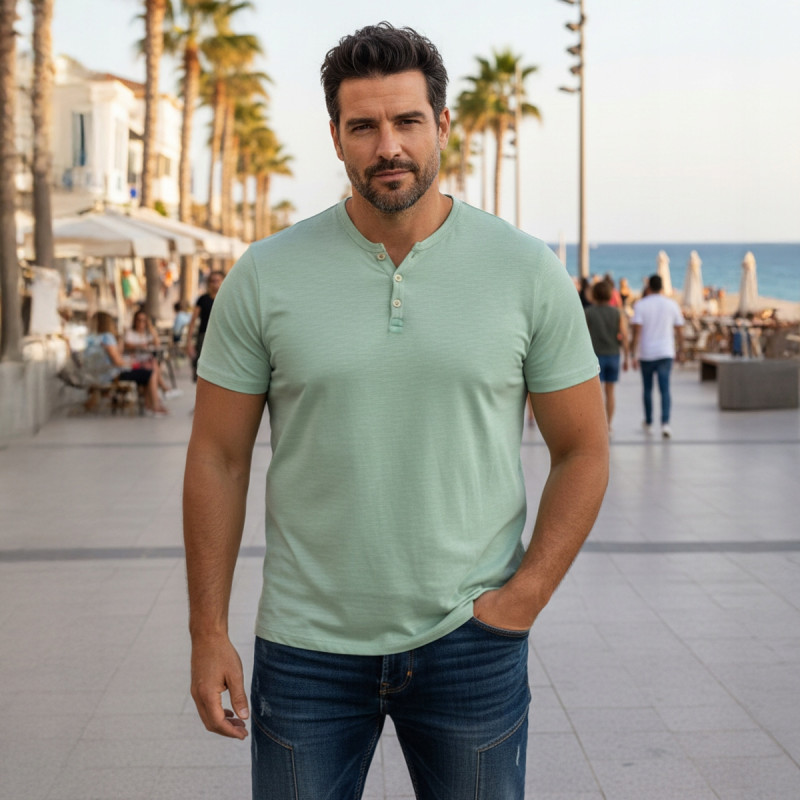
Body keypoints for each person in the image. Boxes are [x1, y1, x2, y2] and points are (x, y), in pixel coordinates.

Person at [183, 23, 609, 799]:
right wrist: (207, 630)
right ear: (336, 138)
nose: (389, 146)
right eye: (364, 126)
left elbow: (584, 448)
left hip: (470, 643)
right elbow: (217, 456)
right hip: (305, 648)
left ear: (442, 125)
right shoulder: (266, 274)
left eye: (408, 121)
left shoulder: (525, 271)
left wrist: (525, 598)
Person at [631, 273, 685, 438]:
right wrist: (681, 350)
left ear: (649, 287)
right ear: (662, 287)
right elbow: (680, 330)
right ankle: (665, 423)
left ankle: (649, 421)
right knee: (665, 389)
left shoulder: (641, 305)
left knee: (647, 389)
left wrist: (633, 354)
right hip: (665, 352)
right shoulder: (672, 305)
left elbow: (636, 333)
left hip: (646, 353)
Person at [84, 311, 167, 416]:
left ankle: (150, 405)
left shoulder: (90, 338)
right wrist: (130, 363)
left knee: (145, 371)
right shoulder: (107, 337)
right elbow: (117, 361)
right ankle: (154, 406)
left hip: (96, 374)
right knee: (149, 373)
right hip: (111, 375)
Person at [585, 279, 629, 434]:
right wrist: (627, 357)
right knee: (610, 392)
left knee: (595, 394)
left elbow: (582, 336)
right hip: (613, 355)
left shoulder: (589, 312)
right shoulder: (616, 313)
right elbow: (624, 335)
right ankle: (608, 424)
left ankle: (597, 425)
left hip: (595, 356)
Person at [122, 308, 181, 399]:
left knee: (154, 364)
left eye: (144, 320)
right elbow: (127, 345)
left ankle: (159, 395)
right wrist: (140, 345)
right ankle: (163, 390)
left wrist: (150, 327)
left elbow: (157, 343)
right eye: (139, 320)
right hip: (135, 361)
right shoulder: (130, 332)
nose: (141, 322)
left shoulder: (147, 333)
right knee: (154, 367)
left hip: (147, 360)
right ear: (135, 320)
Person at [185, 270, 225, 381]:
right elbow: (193, 321)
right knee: (202, 369)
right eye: (212, 281)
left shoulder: (226, 299)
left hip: (221, 338)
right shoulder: (203, 299)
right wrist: (188, 342)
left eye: (218, 281)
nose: (215, 284)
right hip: (204, 337)